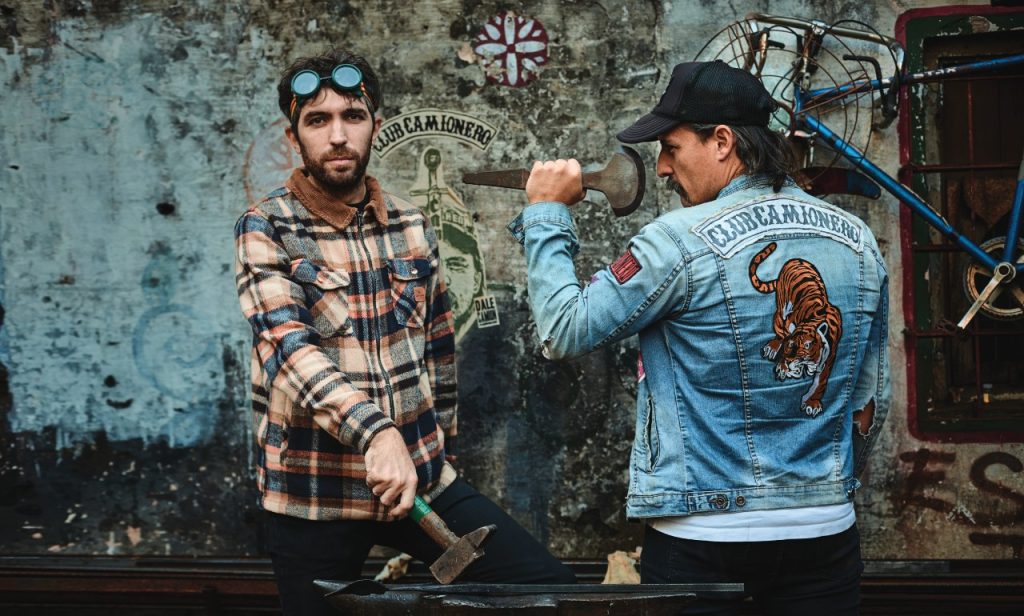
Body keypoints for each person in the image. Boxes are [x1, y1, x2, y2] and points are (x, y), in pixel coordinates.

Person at [509, 60, 889, 615]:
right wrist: (823, 486)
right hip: (823, 532)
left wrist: (545, 213)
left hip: (703, 536)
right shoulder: (856, 238)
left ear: (722, 142)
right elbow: (870, 397)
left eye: (671, 148)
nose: (662, 168)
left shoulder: (675, 241)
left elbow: (563, 329)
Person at [234, 48, 574, 616]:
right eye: (318, 121)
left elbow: (439, 355)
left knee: (553, 593)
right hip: (314, 495)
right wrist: (377, 434)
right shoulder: (266, 226)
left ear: (376, 125)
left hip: (419, 478)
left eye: (352, 116)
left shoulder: (412, 224)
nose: (337, 135)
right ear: (294, 137)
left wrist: (438, 455)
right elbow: (289, 350)